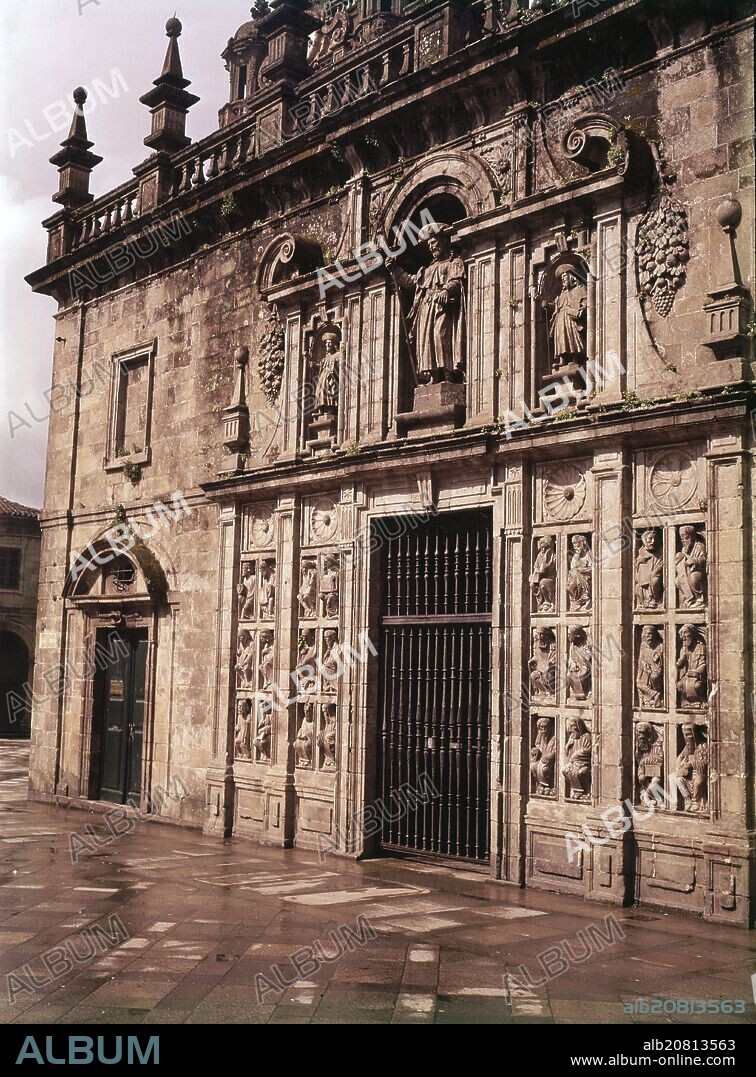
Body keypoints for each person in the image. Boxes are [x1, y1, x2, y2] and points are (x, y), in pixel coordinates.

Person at [386, 227, 465, 384]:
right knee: (426, 341)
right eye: (429, 245)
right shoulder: (427, 270)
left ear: (443, 242)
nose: (432, 247)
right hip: (426, 308)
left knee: (440, 336)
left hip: (442, 307)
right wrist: (395, 270)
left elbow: (457, 281)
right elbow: (411, 282)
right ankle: (434, 377)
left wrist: (446, 290)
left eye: (434, 242)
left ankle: (448, 375)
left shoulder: (454, 263)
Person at [550, 267, 587, 369]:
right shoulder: (560, 296)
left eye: (565, 277)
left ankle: (574, 359)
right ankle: (562, 359)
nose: (563, 280)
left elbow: (585, 302)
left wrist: (581, 310)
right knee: (561, 338)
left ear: (571, 278)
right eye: (562, 279)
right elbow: (555, 307)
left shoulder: (579, 289)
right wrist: (547, 306)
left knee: (572, 337)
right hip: (560, 318)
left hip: (571, 318)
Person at [675, 723, 709, 812]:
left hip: (700, 772)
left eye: (688, 734)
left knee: (698, 782)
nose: (686, 737)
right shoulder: (688, 747)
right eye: (685, 735)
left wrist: (692, 764)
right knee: (679, 780)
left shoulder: (703, 746)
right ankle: (688, 801)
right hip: (689, 774)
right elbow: (681, 757)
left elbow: (706, 762)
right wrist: (681, 764)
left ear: (694, 734)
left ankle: (696, 802)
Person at [675, 526, 707, 609]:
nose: (684, 541)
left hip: (698, 571)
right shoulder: (683, 549)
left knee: (693, 578)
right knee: (677, 581)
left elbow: (703, 559)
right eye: (682, 539)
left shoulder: (699, 546)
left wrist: (694, 560)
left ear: (691, 537)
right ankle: (689, 598)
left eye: (686, 538)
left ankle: (699, 599)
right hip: (686, 571)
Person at [563, 717, 592, 800]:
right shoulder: (572, 737)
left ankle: (584, 791)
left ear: (579, 726)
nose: (572, 729)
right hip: (574, 762)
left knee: (580, 773)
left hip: (584, 763)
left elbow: (587, 750)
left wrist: (576, 755)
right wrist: (568, 745)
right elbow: (567, 754)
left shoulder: (586, 736)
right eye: (570, 726)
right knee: (565, 770)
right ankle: (576, 791)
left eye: (574, 726)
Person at [635, 530, 664, 609]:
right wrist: (640, 561)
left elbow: (662, 563)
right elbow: (636, 566)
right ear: (644, 540)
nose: (653, 541)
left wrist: (658, 570)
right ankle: (644, 602)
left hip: (655, 575)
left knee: (655, 580)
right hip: (643, 579)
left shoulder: (661, 550)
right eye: (650, 539)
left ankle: (655, 599)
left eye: (655, 539)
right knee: (637, 588)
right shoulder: (641, 551)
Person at [636, 626, 664, 709]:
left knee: (654, 677)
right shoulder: (643, 646)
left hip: (656, 671)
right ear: (644, 635)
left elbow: (661, 663)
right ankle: (654, 695)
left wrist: (658, 658)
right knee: (639, 684)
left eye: (652, 634)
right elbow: (641, 659)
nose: (650, 637)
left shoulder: (660, 646)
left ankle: (655, 696)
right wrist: (644, 664)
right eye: (648, 634)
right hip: (646, 671)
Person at [315, 330, 341, 414]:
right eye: (326, 343)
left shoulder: (337, 355)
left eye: (329, 342)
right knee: (320, 391)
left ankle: (330, 409)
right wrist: (314, 365)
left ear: (334, 344)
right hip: (323, 377)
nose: (327, 344)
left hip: (331, 377)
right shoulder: (325, 358)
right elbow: (320, 367)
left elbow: (340, 366)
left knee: (329, 392)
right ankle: (321, 409)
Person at [530, 717, 557, 795]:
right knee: (533, 766)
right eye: (542, 727)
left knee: (544, 769)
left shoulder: (554, 738)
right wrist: (535, 751)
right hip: (541, 759)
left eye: (546, 727)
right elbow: (538, 746)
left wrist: (548, 757)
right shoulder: (540, 736)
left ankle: (548, 785)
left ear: (550, 727)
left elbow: (554, 751)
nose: (544, 729)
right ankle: (540, 785)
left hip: (550, 761)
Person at [567, 534, 592, 611]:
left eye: (575, 543)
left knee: (576, 577)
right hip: (574, 577)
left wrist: (581, 570)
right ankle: (577, 602)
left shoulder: (589, 554)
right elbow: (572, 568)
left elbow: (592, 568)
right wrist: (577, 556)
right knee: (568, 587)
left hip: (586, 577)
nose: (574, 545)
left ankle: (586, 601)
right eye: (573, 543)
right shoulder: (575, 556)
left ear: (581, 543)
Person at [531, 535, 556, 613]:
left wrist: (544, 568)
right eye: (542, 547)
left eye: (545, 548)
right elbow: (535, 566)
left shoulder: (552, 555)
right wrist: (537, 570)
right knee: (532, 585)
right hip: (539, 576)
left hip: (550, 576)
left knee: (542, 584)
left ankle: (548, 601)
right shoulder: (539, 555)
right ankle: (540, 601)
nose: (543, 549)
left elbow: (550, 565)